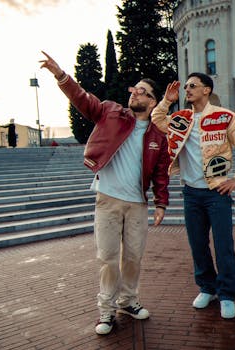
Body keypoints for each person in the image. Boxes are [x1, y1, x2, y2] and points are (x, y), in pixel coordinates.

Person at [40, 51, 170, 335]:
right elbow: (83, 99)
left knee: (133, 257)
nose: (135, 94)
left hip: (137, 204)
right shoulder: (111, 112)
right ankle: (106, 311)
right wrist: (61, 76)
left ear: (152, 102)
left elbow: (161, 172)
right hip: (108, 200)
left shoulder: (157, 137)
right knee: (108, 258)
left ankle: (128, 301)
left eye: (143, 92)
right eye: (134, 89)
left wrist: (161, 203)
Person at [151, 73, 235, 319]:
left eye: (192, 86)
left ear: (207, 90)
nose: (187, 89)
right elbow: (157, 120)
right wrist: (167, 101)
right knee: (198, 245)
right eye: (186, 86)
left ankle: (227, 295)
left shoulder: (226, 117)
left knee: (223, 247)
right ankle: (207, 288)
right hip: (191, 193)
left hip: (217, 193)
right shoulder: (181, 118)